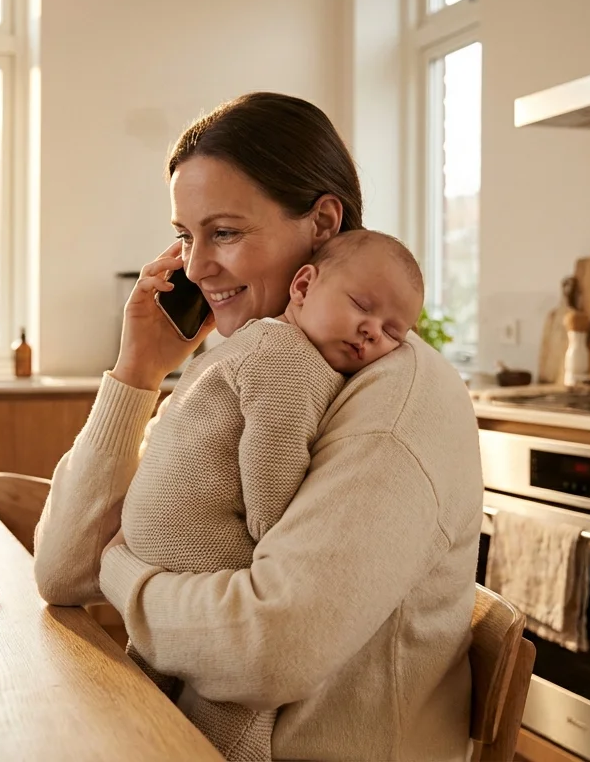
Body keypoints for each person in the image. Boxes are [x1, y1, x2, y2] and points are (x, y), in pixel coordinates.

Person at [33, 92, 483, 761]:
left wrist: (123, 576)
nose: (193, 267)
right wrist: (137, 372)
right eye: (186, 236)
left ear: (322, 222)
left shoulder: (396, 402)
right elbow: (63, 571)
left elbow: (270, 648)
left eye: (225, 233)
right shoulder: (246, 366)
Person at [119, 229, 427, 760]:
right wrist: (274, 538)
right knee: (235, 690)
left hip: (157, 536)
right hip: (193, 541)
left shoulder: (252, 343)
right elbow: (271, 458)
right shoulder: (290, 359)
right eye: (361, 306)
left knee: (147, 690)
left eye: (393, 331)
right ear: (303, 285)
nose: (371, 332)